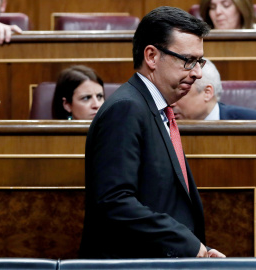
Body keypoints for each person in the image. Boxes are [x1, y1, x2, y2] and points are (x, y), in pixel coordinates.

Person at [80, 6, 225, 258]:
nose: (198, 73)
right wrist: (189, 245)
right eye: (188, 61)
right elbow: (114, 201)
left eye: (199, 61)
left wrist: (199, 249)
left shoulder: (156, 109)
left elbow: (163, 200)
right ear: (152, 56)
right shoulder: (126, 109)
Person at [172, 59, 256, 120]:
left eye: (180, 93)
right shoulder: (163, 124)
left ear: (207, 93)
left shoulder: (251, 121)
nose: (171, 103)